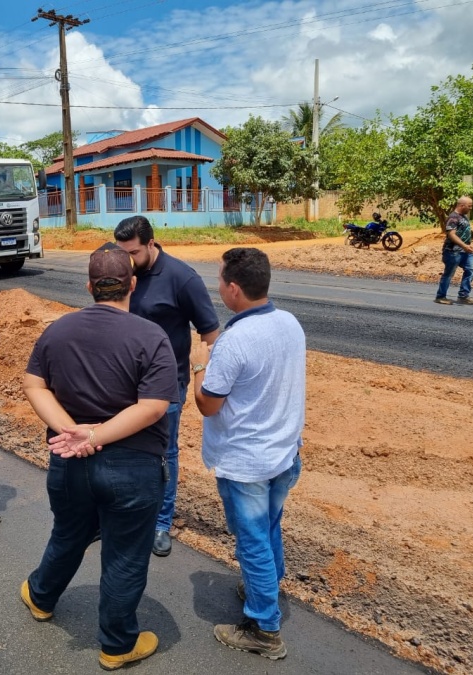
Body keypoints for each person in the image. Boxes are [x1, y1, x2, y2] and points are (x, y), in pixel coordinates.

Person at [20, 242, 178, 671]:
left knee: (69, 534)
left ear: (89, 286)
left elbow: (34, 385)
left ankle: (40, 597)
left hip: (69, 461)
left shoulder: (58, 331)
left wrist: (71, 430)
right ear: (132, 285)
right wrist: (95, 434)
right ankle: (116, 645)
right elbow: (153, 407)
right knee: (125, 556)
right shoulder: (151, 336)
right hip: (132, 468)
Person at [191, 247, 305, 661]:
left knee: (252, 541)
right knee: (270, 527)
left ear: (234, 289)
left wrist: (198, 366)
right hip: (284, 454)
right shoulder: (288, 323)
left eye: (220, 279)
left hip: (247, 463)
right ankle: (267, 585)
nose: (217, 285)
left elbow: (209, 405)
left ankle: (263, 628)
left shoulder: (234, 341)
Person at [114, 215, 219, 557]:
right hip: (123, 383)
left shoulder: (182, 278)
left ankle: (161, 523)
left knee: (164, 454)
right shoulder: (124, 271)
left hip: (166, 387)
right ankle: (127, 513)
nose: (127, 260)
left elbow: (210, 333)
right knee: (125, 448)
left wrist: (203, 372)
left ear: (151, 243)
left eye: (133, 252)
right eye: (122, 252)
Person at [435, 196, 473, 305]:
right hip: (452, 251)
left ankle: (463, 296)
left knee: (471, 270)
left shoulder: (464, 217)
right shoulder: (453, 218)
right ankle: (440, 296)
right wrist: (464, 246)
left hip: (465, 251)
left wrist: (467, 247)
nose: (471, 208)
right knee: (449, 274)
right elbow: (451, 235)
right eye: (469, 206)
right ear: (462, 205)